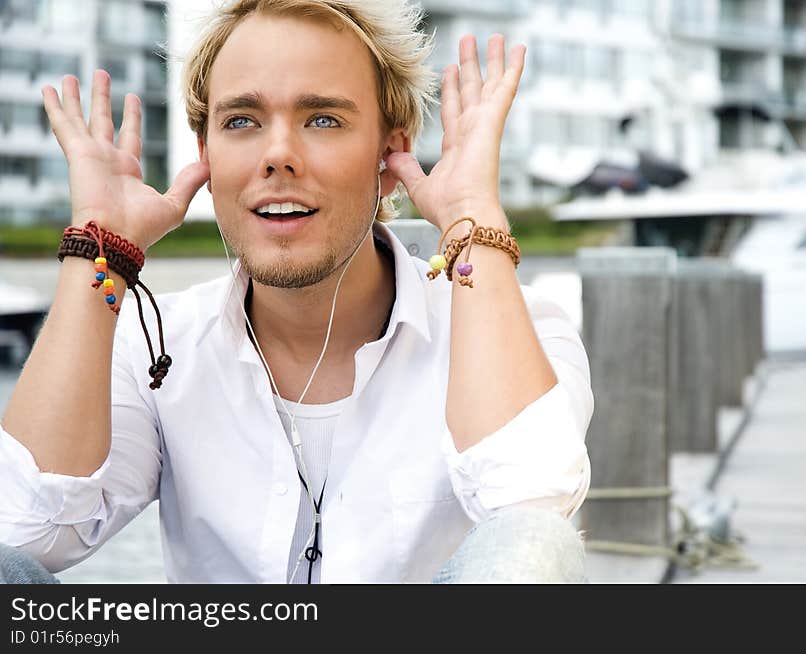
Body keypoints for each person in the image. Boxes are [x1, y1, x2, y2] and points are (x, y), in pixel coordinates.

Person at [0, 0, 593, 584]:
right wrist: (99, 247)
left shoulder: (524, 327)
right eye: (241, 122)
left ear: (391, 157)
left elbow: (532, 513)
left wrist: (470, 216)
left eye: (323, 119)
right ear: (206, 156)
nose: (277, 155)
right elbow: (23, 533)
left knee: (533, 542)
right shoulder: (155, 344)